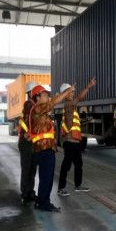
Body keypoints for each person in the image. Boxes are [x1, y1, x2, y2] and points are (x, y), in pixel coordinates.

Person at [28, 84, 74, 212]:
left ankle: (44, 202)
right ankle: (43, 204)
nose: (47, 96)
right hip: (43, 150)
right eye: (44, 95)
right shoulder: (37, 108)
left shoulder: (42, 111)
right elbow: (53, 102)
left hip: (47, 149)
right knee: (46, 178)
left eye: (48, 94)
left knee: (47, 178)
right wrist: (67, 92)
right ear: (37, 97)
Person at [57, 78, 97, 196]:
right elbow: (79, 99)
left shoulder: (72, 108)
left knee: (78, 164)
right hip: (69, 141)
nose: (73, 94)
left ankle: (78, 185)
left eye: (73, 92)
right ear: (65, 94)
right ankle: (61, 188)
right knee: (66, 165)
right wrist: (88, 87)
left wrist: (84, 121)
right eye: (70, 92)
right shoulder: (68, 104)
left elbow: (73, 124)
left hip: (75, 141)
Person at [18, 81, 38, 205]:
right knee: (27, 169)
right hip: (26, 142)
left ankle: (30, 192)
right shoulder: (29, 105)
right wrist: (28, 133)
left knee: (32, 169)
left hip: (30, 142)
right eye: (37, 92)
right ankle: (25, 193)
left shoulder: (32, 105)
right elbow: (25, 123)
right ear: (31, 93)